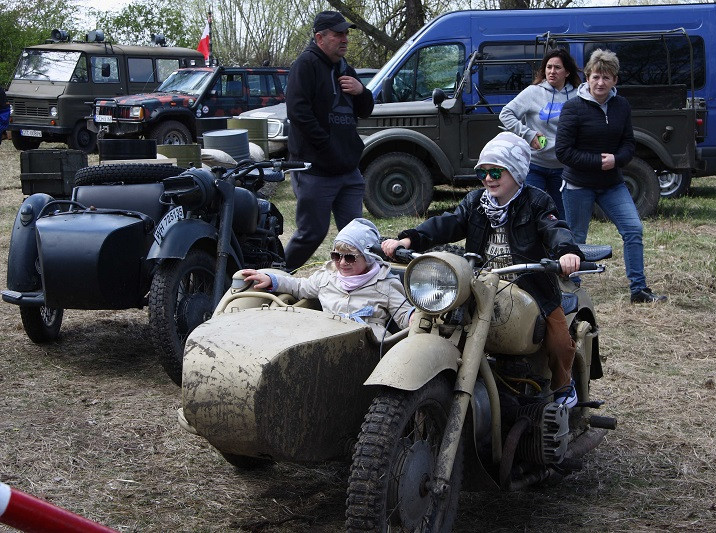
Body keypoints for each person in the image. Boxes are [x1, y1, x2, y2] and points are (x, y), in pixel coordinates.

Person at [382, 131, 584, 407]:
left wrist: (567, 252)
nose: (488, 179)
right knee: (441, 324)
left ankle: (563, 386)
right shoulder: (476, 203)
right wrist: (410, 238)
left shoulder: (537, 202)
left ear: (516, 172)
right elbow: (448, 222)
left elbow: (554, 228)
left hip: (531, 286)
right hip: (480, 284)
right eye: (483, 173)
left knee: (559, 339)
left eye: (496, 172)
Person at [555, 49, 667, 304]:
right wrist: (596, 161)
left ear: (615, 80)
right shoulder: (573, 108)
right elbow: (563, 152)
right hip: (577, 185)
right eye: (596, 76)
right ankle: (572, 292)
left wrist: (617, 160)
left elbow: (628, 143)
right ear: (587, 77)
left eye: (606, 77)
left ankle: (638, 289)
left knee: (633, 229)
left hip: (612, 184)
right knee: (575, 241)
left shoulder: (621, 106)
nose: (600, 83)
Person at [283, 11, 374, 272]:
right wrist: (328, 147)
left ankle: (354, 285)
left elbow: (366, 109)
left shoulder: (346, 68)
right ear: (320, 37)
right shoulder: (306, 65)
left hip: (348, 170)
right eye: (338, 34)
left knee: (356, 237)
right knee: (312, 233)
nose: (344, 39)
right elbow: (298, 113)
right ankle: (275, 275)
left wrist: (361, 91)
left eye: (346, 33)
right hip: (316, 170)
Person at [240, 218, 413, 339]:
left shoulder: (385, 283)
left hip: (369, 345)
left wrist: (413, 318)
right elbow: (300, 286)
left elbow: (403, 314)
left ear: (368, 258)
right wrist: (273, 279)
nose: (342, 262)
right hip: (328, 338)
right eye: (336, 256)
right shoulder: (327, 278)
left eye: (350, 257)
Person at [499, 49, 581, 219]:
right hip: (534, 165)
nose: (552, 71)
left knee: (561, 217)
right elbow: (505, 114)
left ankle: (558, 246)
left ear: (567, 72)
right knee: (528, 213)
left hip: (564, 168)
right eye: (548, 67)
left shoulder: (577, 95)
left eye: (557, 67)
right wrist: (527, 134)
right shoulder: (533, 92)